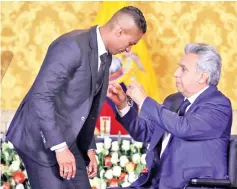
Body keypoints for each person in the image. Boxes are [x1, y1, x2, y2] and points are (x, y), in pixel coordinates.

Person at [6, 6, 147, 189]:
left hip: (68, 137)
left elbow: (87, 106)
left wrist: (89, 147)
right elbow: (41, 97)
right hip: (39, 137)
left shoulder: (106, 55)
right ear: (119, 32)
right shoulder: (71, 45)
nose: (128, 50)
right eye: (131, 43)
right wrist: (60, 147)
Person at [107, 43, 232, 189]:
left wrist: (144, 101)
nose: (176, 73)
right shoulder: (173, 100)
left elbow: (184, 127)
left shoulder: (218, 104)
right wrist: (123, 105)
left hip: (190, 185)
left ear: (202, 76)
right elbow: (145, 132)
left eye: (183, 69)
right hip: (155, 182)